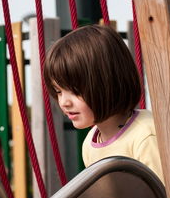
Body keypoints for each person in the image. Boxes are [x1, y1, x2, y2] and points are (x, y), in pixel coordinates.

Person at [44, 24, 163, 183]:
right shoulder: (90, 144)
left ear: (108, 83)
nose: (64, 102)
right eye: (58, 91)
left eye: (76, 91)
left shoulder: (145, 136)